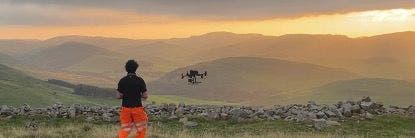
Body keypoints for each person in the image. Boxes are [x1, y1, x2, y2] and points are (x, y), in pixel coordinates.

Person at [117, 60, 148, 138]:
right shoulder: (140, 80)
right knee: (141, 130)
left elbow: (118, 96)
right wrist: (137, 95)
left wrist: (126, 95)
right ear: (136, 68)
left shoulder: (122, 80)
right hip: (137, 108)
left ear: (126, 69)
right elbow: (145, 96)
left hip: (125, 109)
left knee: (125, 130)